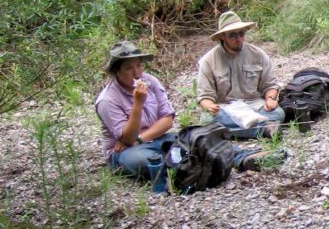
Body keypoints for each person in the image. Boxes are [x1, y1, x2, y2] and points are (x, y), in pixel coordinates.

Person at [95, 41, 176, 184]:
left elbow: (167, 120)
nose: (137, 73)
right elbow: (127, 139)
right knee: (142, 161)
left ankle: (173, 162)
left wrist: (139, 139)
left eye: (138, 65)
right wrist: (138, 103)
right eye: (128, 68)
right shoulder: (107, 100)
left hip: (154, 138)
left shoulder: (150, 81)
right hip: (124, 152)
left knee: (190, 139)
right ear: (117, 72)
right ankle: (175, 165)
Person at [197, 11, 284, 139]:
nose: (239, 39)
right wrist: (210, 106)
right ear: (222, 37)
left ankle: (240, 130)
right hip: (226, 108)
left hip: (254, 106)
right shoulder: (208, 61)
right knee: (206, 120)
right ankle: (264, 130)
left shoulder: (258, 54)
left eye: (241, 33)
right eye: (232, 35)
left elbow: (270, 85)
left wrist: (270, 99)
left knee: (278, 113)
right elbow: (204, 97)